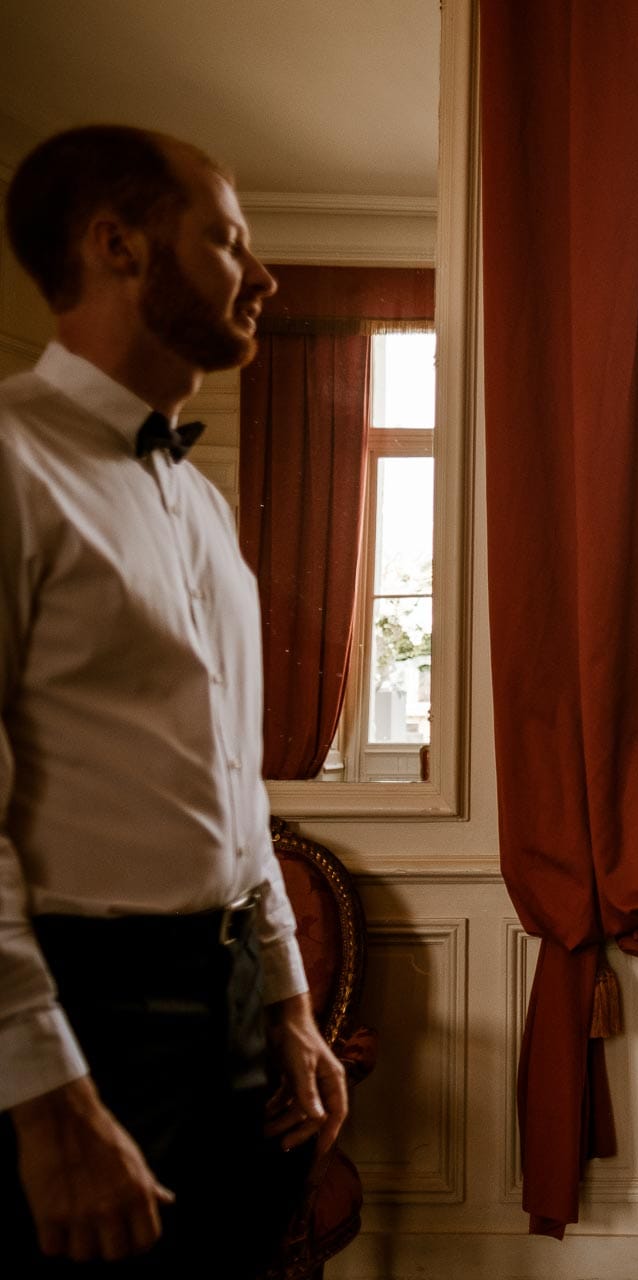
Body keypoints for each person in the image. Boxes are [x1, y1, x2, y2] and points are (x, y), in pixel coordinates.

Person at [0, 125, 347, 1274]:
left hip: (236, 995)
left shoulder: (198, 502)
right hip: (83, 1007)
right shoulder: (9, 463)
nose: (265, 276)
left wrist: (288, 999)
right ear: (118, 247)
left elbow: (231, 785)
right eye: (230, 241)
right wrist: (45, 1094)